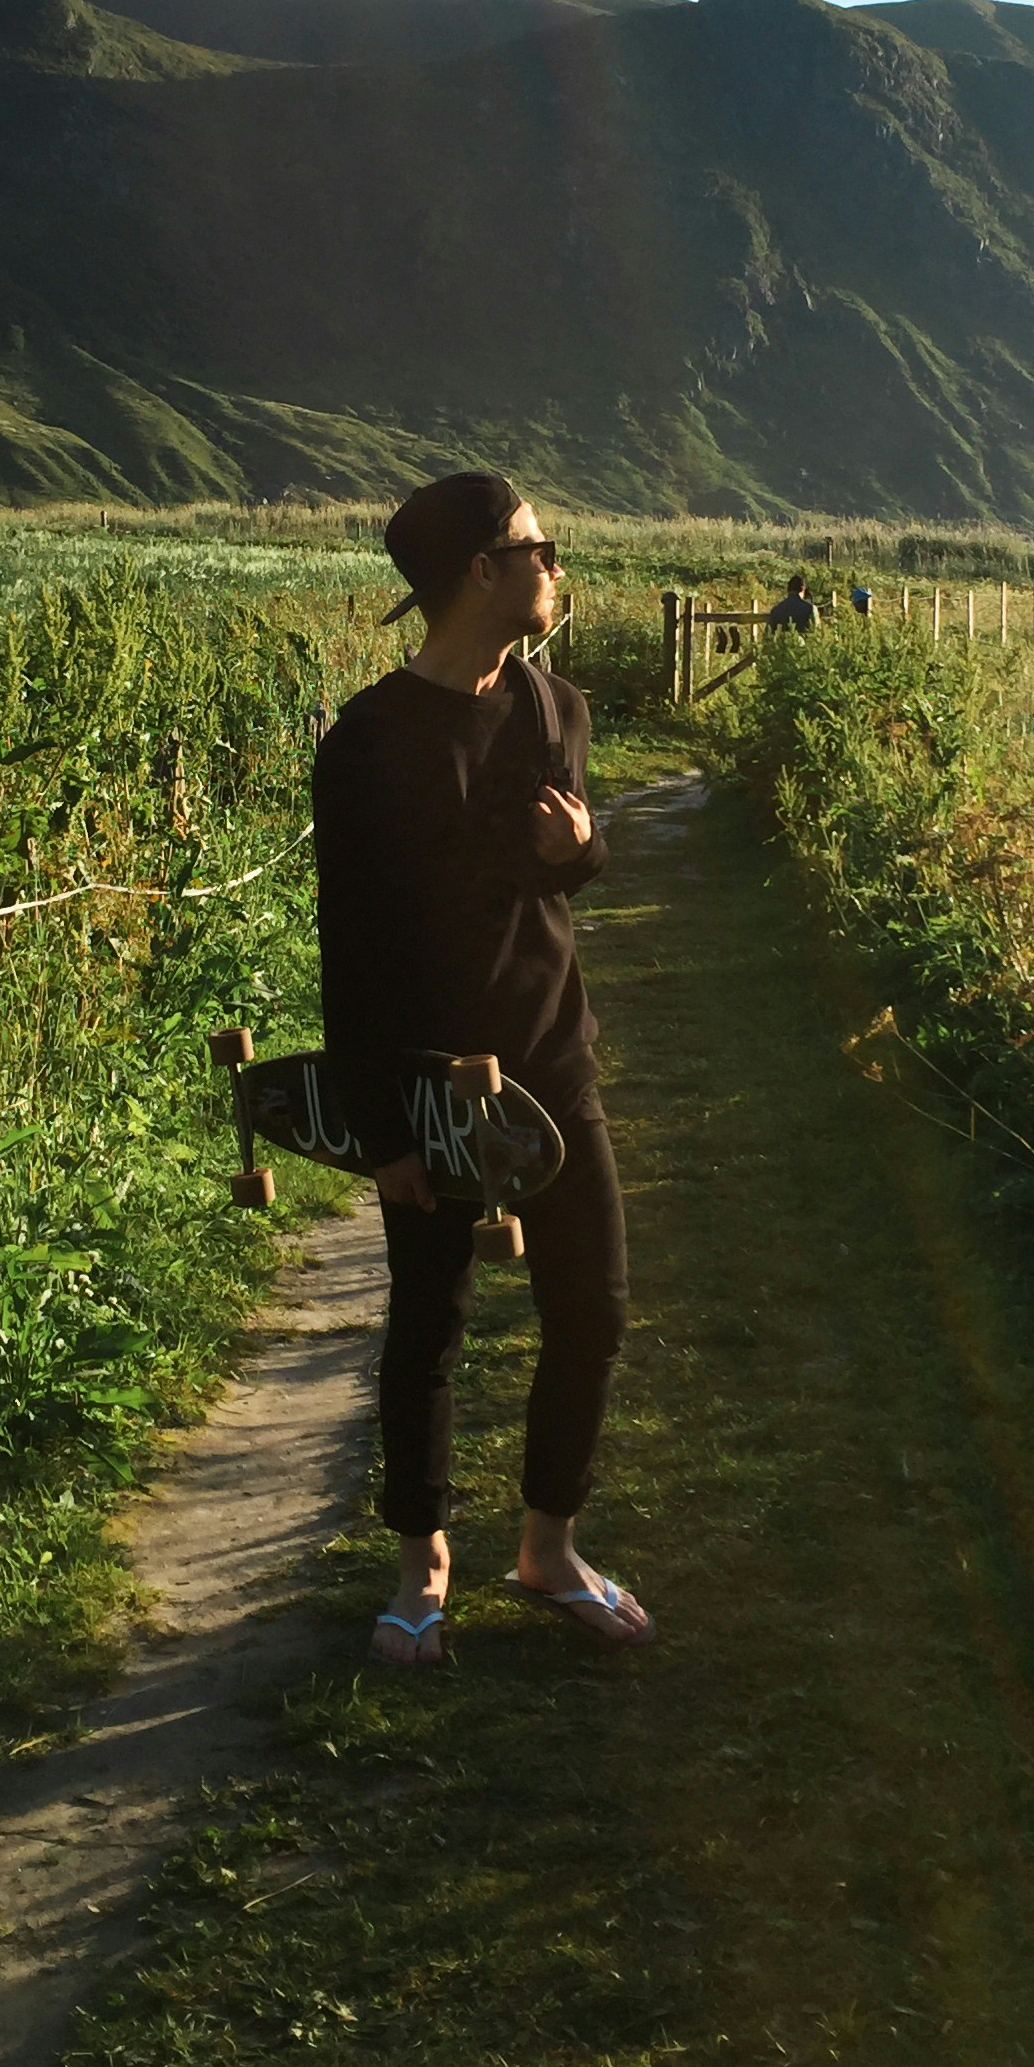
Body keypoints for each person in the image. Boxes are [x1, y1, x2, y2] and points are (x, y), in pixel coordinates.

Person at [312, 473, 649, 1666]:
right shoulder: (366, 742)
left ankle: (548, 1548)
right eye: (537, 548)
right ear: (479, 574)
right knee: (431, 1325)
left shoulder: (557, 708)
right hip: (426, 1084)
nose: (558, 565)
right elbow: (348, 945)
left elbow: (552, 873)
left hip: (553, 1057)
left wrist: (585, 851)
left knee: (593, 1307)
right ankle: (426, 1569)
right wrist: (381, 1130)